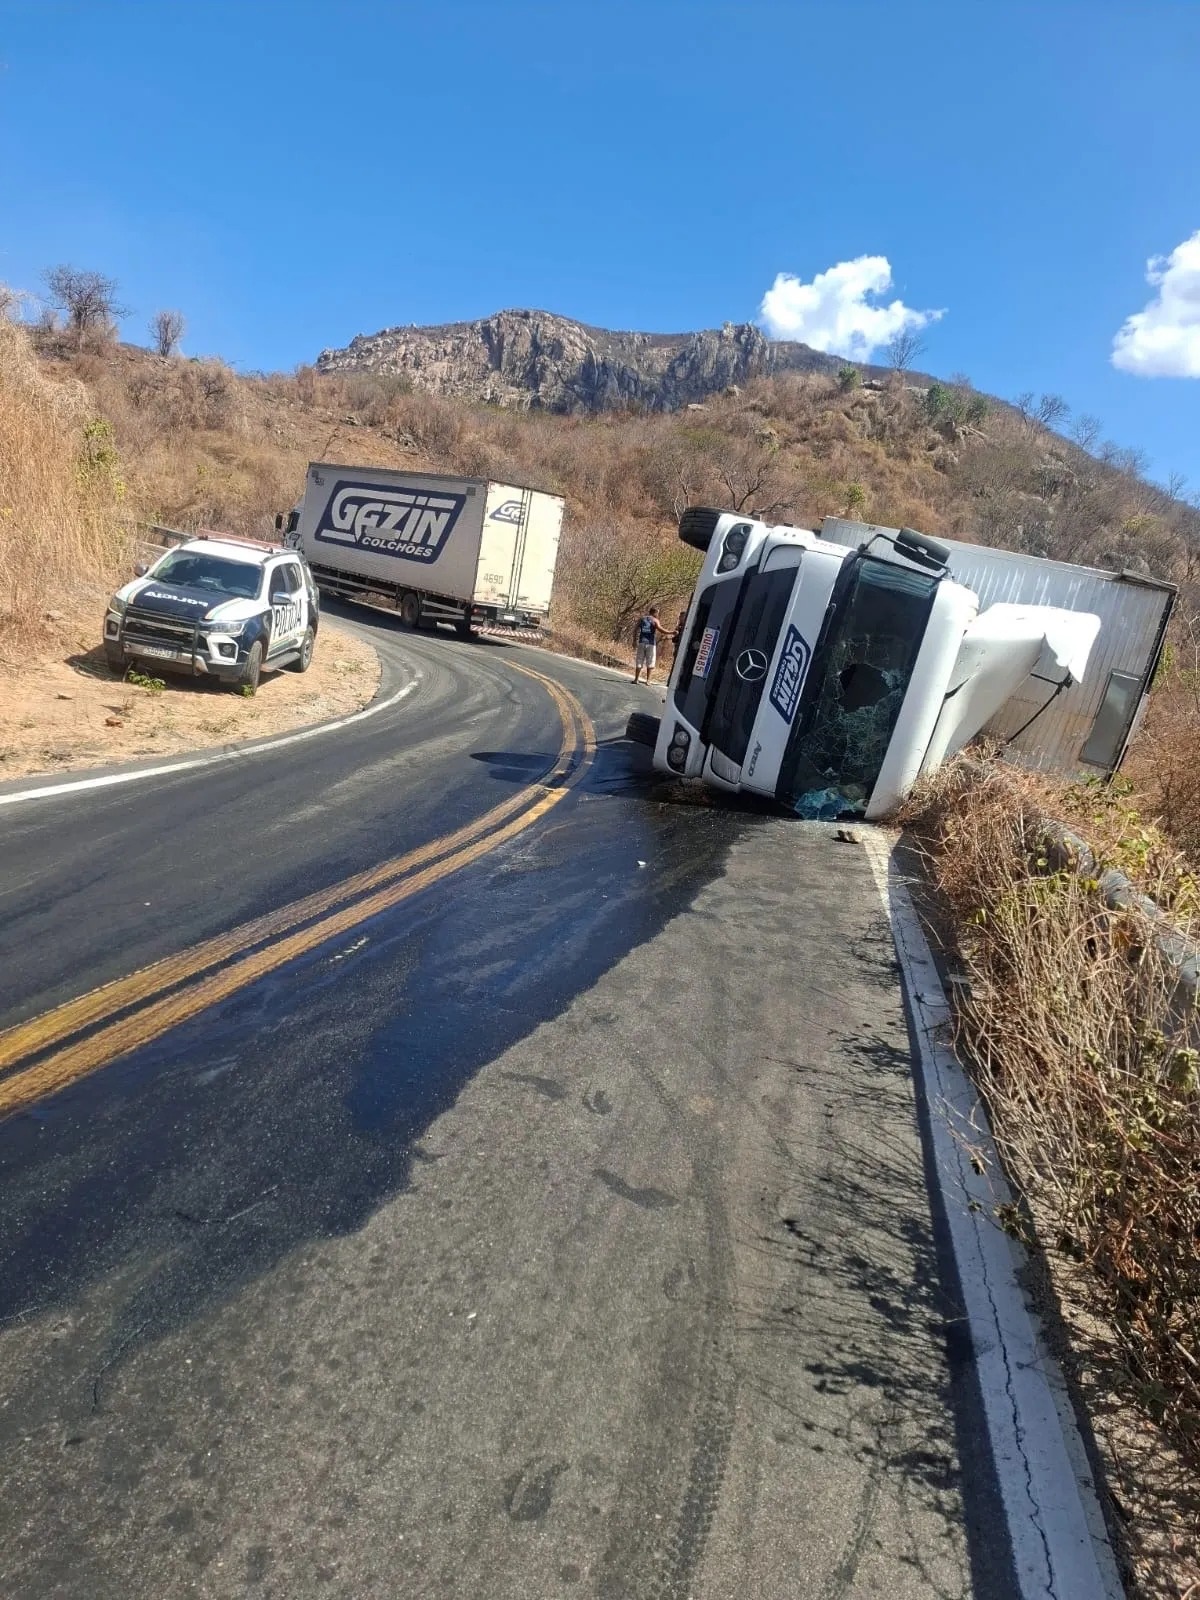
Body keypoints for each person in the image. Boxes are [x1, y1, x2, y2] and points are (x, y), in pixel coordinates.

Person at [632, 606, 667, 685]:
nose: (657, 614)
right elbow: (661, 629)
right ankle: (648, 680)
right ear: (655, 612)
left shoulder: (642, 619)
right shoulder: (655, 620)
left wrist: (634, 640)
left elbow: (635, 630)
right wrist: (671, 632)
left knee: (639, 660)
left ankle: (636, 679)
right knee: (650, 661)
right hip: (651, 643)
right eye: (657, 613)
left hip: (641, 642)